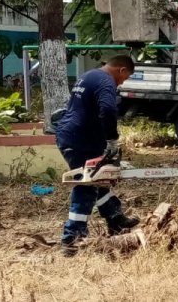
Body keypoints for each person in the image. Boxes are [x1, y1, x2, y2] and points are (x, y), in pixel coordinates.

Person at [52, 55, 140, 255]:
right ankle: (72, 238)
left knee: (97, 179)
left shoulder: (89, 75)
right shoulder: (106, 81)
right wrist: (111, 139)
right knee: (87, 185)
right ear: (121, 70)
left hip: (73, 135)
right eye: (125, 78)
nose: (122, 82)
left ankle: (115, 218)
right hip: (80, 139)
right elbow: (108, 109)